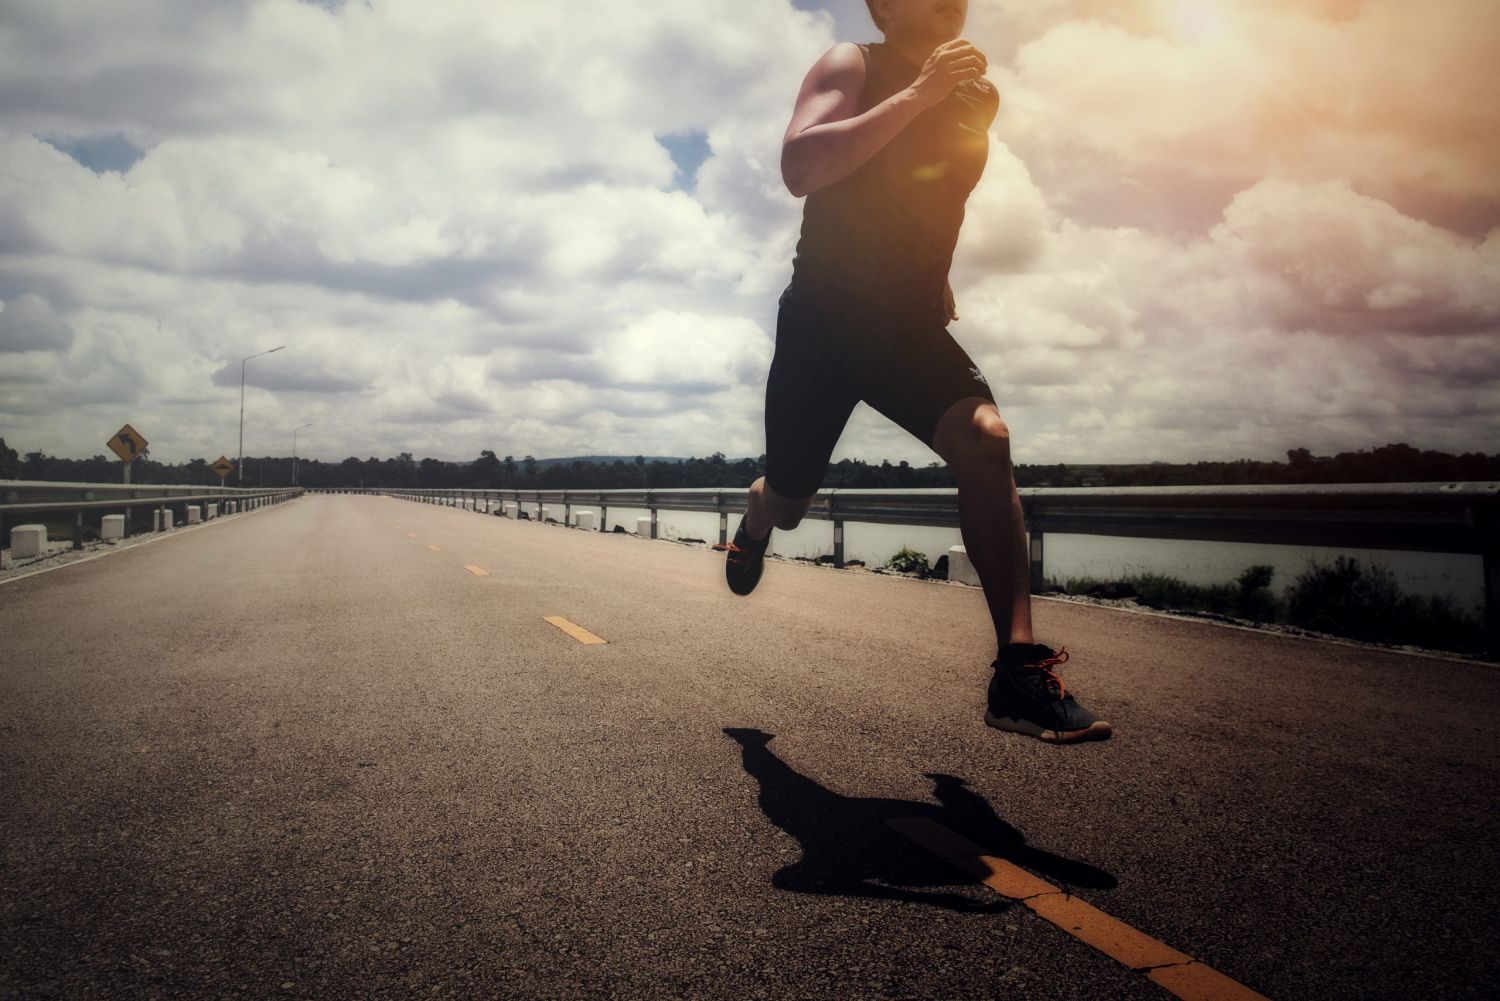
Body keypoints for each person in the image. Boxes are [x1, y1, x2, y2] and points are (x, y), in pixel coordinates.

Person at [721, 0, 1111, 743]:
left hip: (903, 327)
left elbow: (935, 195)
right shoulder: (853, 63)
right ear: (884, 6)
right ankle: (759, 510)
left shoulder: (977, 96)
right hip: (823, 325)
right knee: (793, 504)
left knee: (987, 439)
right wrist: (922, 91)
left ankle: (1017, 674)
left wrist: (937, 273)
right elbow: (801, 167)